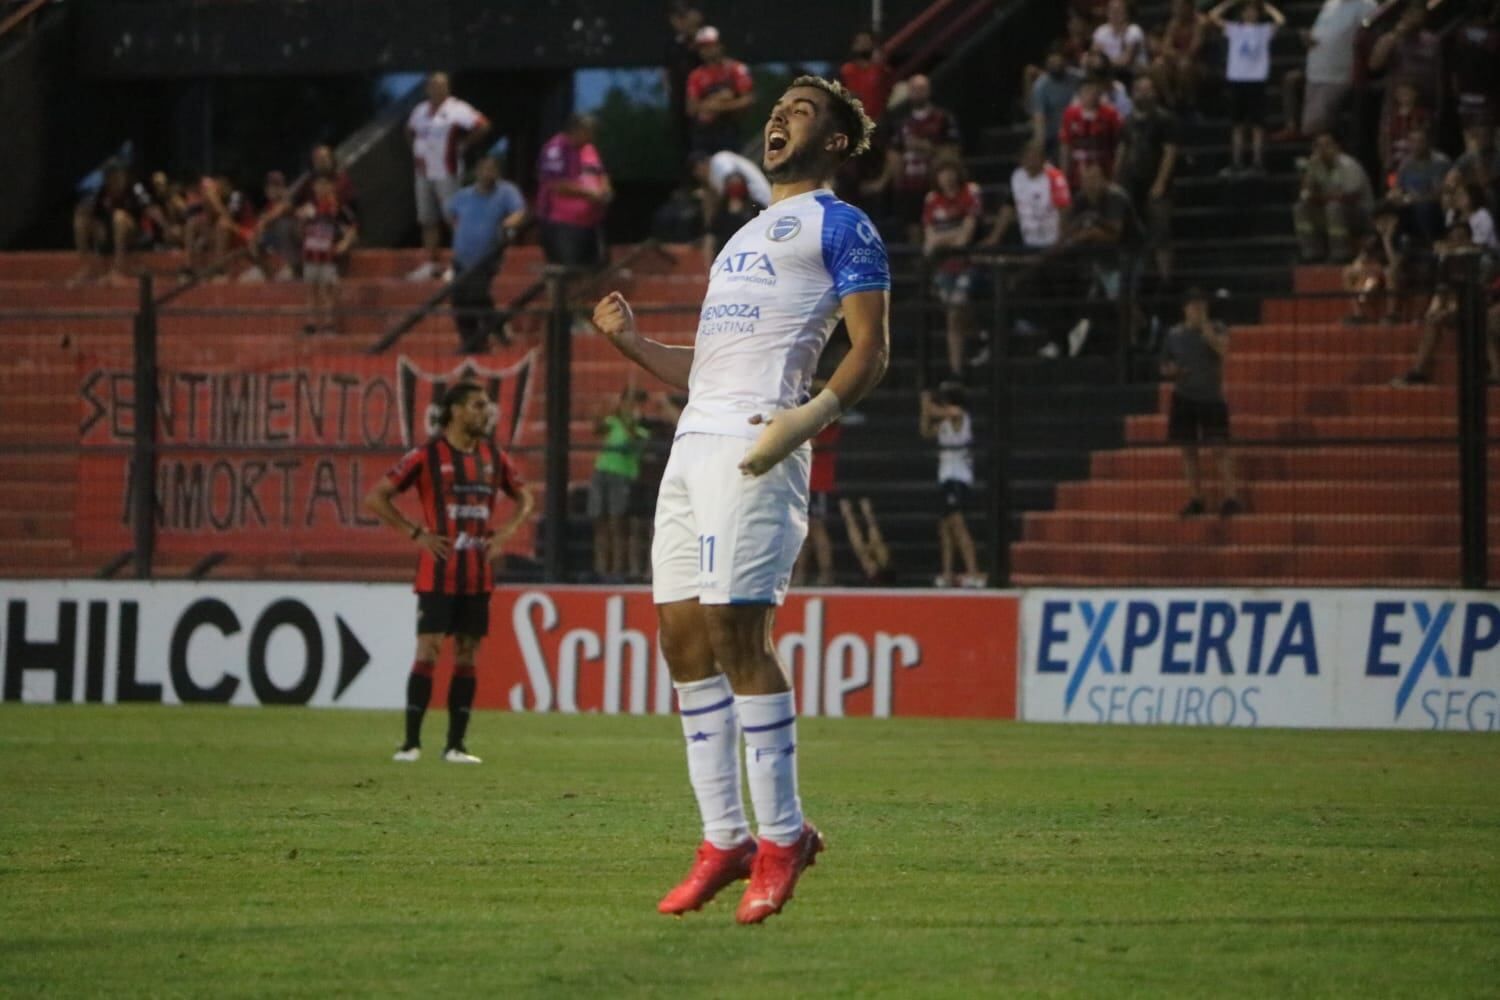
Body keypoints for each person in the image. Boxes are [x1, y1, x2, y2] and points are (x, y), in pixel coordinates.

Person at [590, 75, 889, 925]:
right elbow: (709, 369)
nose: (777, 121)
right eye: (776, 112)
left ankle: (783, 836)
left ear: (834, 142)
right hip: (693, 444)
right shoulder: (742, 237)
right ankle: (723, 840)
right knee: (681, 639)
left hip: (760, 443)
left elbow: (870, 351)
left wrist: (803, 422)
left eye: (798, 113)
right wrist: (633, 344)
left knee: (735, 632)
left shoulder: (844, 224)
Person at [363, 381, 535, 764]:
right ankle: (410, 743)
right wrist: (415, 533)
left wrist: (506, 532)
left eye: (486, 406)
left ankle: (456, 746)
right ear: (455, 410)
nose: (485, 412)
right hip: (438, 570)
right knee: (430, 648)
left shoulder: (493, 456)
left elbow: (525, 495)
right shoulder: (426, 455)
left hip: (477, 573)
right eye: (477, 405)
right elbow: (376, 496)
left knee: (468, 654)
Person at [1161, 288, 1242, 517]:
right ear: (1185, 309)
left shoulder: (1216, 327)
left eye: (1202, 306)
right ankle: (1196, 498)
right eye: (1195, 306)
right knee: (1188, 450)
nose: (1199, 310)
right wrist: (1172, 371)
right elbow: (1164, 364)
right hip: (1184, 396)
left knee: (1220, 448)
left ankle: (1231, 497)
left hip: (1211, 396)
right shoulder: (1174, 334)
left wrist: (1207, 331)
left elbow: (1224, 350)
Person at [406, 73, 491, 281]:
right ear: (427, 88)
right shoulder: (420, 110)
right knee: (427, 219)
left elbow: (483, 125)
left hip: (447, 170)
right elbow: (408, 130)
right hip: (423, 172)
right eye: (433, 85)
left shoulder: (457, 109)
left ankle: (459, 264)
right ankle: (431, 265)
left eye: (442, 85)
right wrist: (416, 152)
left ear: (448, 88)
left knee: (453, 218)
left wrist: (464, 144)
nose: (437, 89)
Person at [1391, 220, 1490, 386]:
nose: (1457, 242)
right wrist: (1435, 309)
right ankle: (1419, 371)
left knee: (1441, 317)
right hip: (1454, 308)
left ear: (1470, 239)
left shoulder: (1481, 260)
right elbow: (1442, 290)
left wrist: (1453, 308)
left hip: (1477, 307)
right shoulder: (1448, 262)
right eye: (1454, 238)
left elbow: (1481, 292)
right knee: (1432, 319)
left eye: (1461, 237)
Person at [445, 154, 527, 353]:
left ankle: (495, 330)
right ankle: (472, 342)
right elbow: (449, 213)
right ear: (477, 171)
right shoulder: (464, 195)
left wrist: (508, 223)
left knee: (477, 295)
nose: (487, 173)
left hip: (487, 256)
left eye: (492, 169)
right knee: (459, 300)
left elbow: (519, 212)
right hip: (462, 257)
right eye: (484, 169)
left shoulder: (506, 192)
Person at [867, 74, 961, 242]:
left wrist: (927, 147)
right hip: (909, 183)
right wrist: (886, 180)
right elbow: (894, 152)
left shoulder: (943, 118)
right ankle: (918, 259)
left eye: (921, 89)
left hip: (935, 181)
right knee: (911, 223)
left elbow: (953, 150)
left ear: (929, 91)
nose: (918, 93)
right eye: (914, 89)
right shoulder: (901, 122)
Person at [1276, 0, 1375, 141]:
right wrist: (1310, 38)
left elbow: (1366, 38)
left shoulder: (1366, 6)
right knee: (1291, 81)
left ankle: (1321, 152)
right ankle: (1293, 127)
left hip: (1338, 74)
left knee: (1315, 125)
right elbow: (1322, 31)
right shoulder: (1330, 3)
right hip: (1316, 67)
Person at [1114, 75, 1179, 284]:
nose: (1144, 93)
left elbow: (1170, 152)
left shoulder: (1164, 119)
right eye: (1140, 89)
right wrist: (1116, 178)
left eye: (1148, 89)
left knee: (1161, 233)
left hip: (1156, 182)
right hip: (1132, 182)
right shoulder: (1128, 121)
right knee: (1131, 234)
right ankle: (1134, 279)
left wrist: (1160, 182)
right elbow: (1122, 150)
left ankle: (1165, 280)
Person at [1209, 0, 1284, 179]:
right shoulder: (1235, 29)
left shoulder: (1264, 30)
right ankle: (1237, 162)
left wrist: (1267, 7)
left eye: (1254, 11)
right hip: (1238, 79)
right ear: (1242, 14)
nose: (1250, 14)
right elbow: (1212, 17)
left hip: (1256, 80)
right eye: (1247, 11)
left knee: (1257, 124)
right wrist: (1230, 3)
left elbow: (1280, 21)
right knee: (1238, 124)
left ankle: (1257, 162)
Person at [922, 158, 983, 376]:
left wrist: (942, 238)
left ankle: (960, 368)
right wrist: (949, 237)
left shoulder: (971, 192)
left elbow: (964, 240)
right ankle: (958, 370)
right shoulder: (932, 200)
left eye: (950, 171)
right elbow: (929, 243)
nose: (947, 177)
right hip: (943, 268)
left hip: (968, 265)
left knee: (957, 312)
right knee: (953, 317)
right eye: (942, 172)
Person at [919, 383, 982, 588]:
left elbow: (941, 412)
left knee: (958, 523)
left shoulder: (959, 415)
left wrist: (928, 404)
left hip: (958, 477)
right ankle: (947, 573)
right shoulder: (944, 423)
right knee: (945, 527)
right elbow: (925, 432)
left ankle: (973, 572)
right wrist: (923, 409)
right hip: (945, 477)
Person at [536, 113, 612, 272]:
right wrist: (590, 194)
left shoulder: (588, 149)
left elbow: (601, 172)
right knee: (567, 274)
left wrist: (605, 190)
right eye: (590, 131)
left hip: (591, 224)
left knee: (593, 272)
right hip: (562, 226)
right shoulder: (556, 148)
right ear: (578, 130)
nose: (593, 135)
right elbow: (556, 185)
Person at [590, 386, 650, 581]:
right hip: (602, 472)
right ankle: (600, 570)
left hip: (622, 476)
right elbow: (597, 429)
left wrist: (626, 418)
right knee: (601, 522)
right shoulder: (613, 422)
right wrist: (603, 409)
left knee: (617, 524)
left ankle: (617, 570)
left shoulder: (641, 431)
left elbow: (634, 440)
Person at [1294, 131, 1374, 262]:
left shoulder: (1348, 164)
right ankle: (1312, 252)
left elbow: (1351, 197)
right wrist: (1309, 173)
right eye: (1318, 146)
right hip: (1331, 210)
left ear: (1337, 147)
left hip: (1360, 213)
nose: (1323, 149)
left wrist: (1321, 199)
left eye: (1327, 145)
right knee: (1301, 208)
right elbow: (1305, 194)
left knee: (1334, 207)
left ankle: (1341, 253)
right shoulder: (1316, 166)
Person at [297, 175, 358, 336]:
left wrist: (344, 243)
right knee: (311, 290)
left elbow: (353, 226)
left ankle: (329, 325)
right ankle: (311, 325)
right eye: (318, 185)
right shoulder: (309, 207)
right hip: (310, 255)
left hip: (328, 257)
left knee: (327, 291)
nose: (321, 188)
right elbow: (300, 226)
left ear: (331, 187)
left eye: (325, 185)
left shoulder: (336, 207)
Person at [70, 162, 147, 286]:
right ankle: (88, 266)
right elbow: (86, 210)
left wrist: (166, 227)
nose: (115, 180)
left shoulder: (137, 186)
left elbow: (150, 207)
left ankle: (119, 269)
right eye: (110, 176)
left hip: (131, 233)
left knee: (119, 217)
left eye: (118, 175)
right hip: (106, 232)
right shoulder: (99, 190)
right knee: (80, 220)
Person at [685, 26, 755, 155]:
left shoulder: (736, 69)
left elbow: (748, 100)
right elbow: (692, 109)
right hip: (705, 137)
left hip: (731, 134)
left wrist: (717, 106)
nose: (706, 51)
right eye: (702, 47)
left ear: (720, 45)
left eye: (710, 45)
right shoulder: (696, 75)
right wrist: (721, 97)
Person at [793, 411, 841, 588]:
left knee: (817, 528)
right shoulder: (816, 423)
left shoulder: (827, 424)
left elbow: (810, 442)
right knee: (804, 531)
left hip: (818, 483)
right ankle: (801, 573)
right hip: (807, 484)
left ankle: (826, 573)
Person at [1059, 73, 1124, 190]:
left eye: (1095, 91)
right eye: (1087, 91)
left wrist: (1116, 174)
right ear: (1080, 94)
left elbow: (1120, 144)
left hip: (1103, 169)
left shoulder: (1111, 114)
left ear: (1100, 94)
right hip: (1077, 171)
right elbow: (1065, 145)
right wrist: (1064, 175)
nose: (1091, 95)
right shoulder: (1070, 114)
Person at [1392, 127, 1452, 247]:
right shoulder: (1406, 163)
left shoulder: (1440, 163)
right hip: (1409, 203)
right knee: (1387, 207)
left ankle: (1429, 246)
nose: (1416, 146)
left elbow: (1439, 194)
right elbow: (1397, 188)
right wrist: (1396, 195)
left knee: (1424, 208)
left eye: (1420, 142)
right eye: (1412, 142)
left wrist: (1416, 199)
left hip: (1433, 205)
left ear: (1429, 143)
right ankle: (1395, 249)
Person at [663, 4, 705, 160]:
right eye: (676, 18)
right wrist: (670, 92)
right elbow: (667, 71)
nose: (680, 22)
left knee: (700, 141)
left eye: (684, 17)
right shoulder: (673, 45)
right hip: (679, 100)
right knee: (682, 142)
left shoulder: (702, 42)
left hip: (700, 101)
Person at [1151, 0, 1206, 113]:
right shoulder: (1174, 23)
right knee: (1158, 64)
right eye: (1176, 6)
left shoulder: (1199, 22)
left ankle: (1186, 101)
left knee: (1184, 65)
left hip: (1197, 64)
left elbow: (1194, 50)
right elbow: (1165, 48)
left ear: (1189, 7)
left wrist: (1175, 55)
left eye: (1180, 6)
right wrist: (1176, 56)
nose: (1177, 9)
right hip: (1176, 61)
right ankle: (1169, 101)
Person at [1031, 47, 1083, 164]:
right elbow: (1039, 118)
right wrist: (1040, 147)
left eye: (1059, 61)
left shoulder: (1078, 78)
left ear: (1065, 61)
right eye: (1052, 62)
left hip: (1079, 133)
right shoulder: (1041, 86)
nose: (1056, 65)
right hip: (1054, 138)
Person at [837, 496, 894, 586]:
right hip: (883, 570)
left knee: (862, 550)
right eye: (871, 570)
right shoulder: (883, 560)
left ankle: (849, 514)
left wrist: (847, 515)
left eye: (868, 570)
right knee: (878, 550)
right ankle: (864, 512)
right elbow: (877, 541)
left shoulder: (865, 559)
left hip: (877, 574)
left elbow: (859, 547)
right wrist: (867, 513)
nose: (869, 568)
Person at [1092, 0, 1149, 79]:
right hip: (1108, 74)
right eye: (1112, 10)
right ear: (1107, 13)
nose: (1115, 14)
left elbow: (1126, 60)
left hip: (1134, 74)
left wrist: (1103, 63)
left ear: (1126, 13)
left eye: (1119, 11)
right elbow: (1095, 56)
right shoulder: (1100, 31)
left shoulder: (1134, 30)